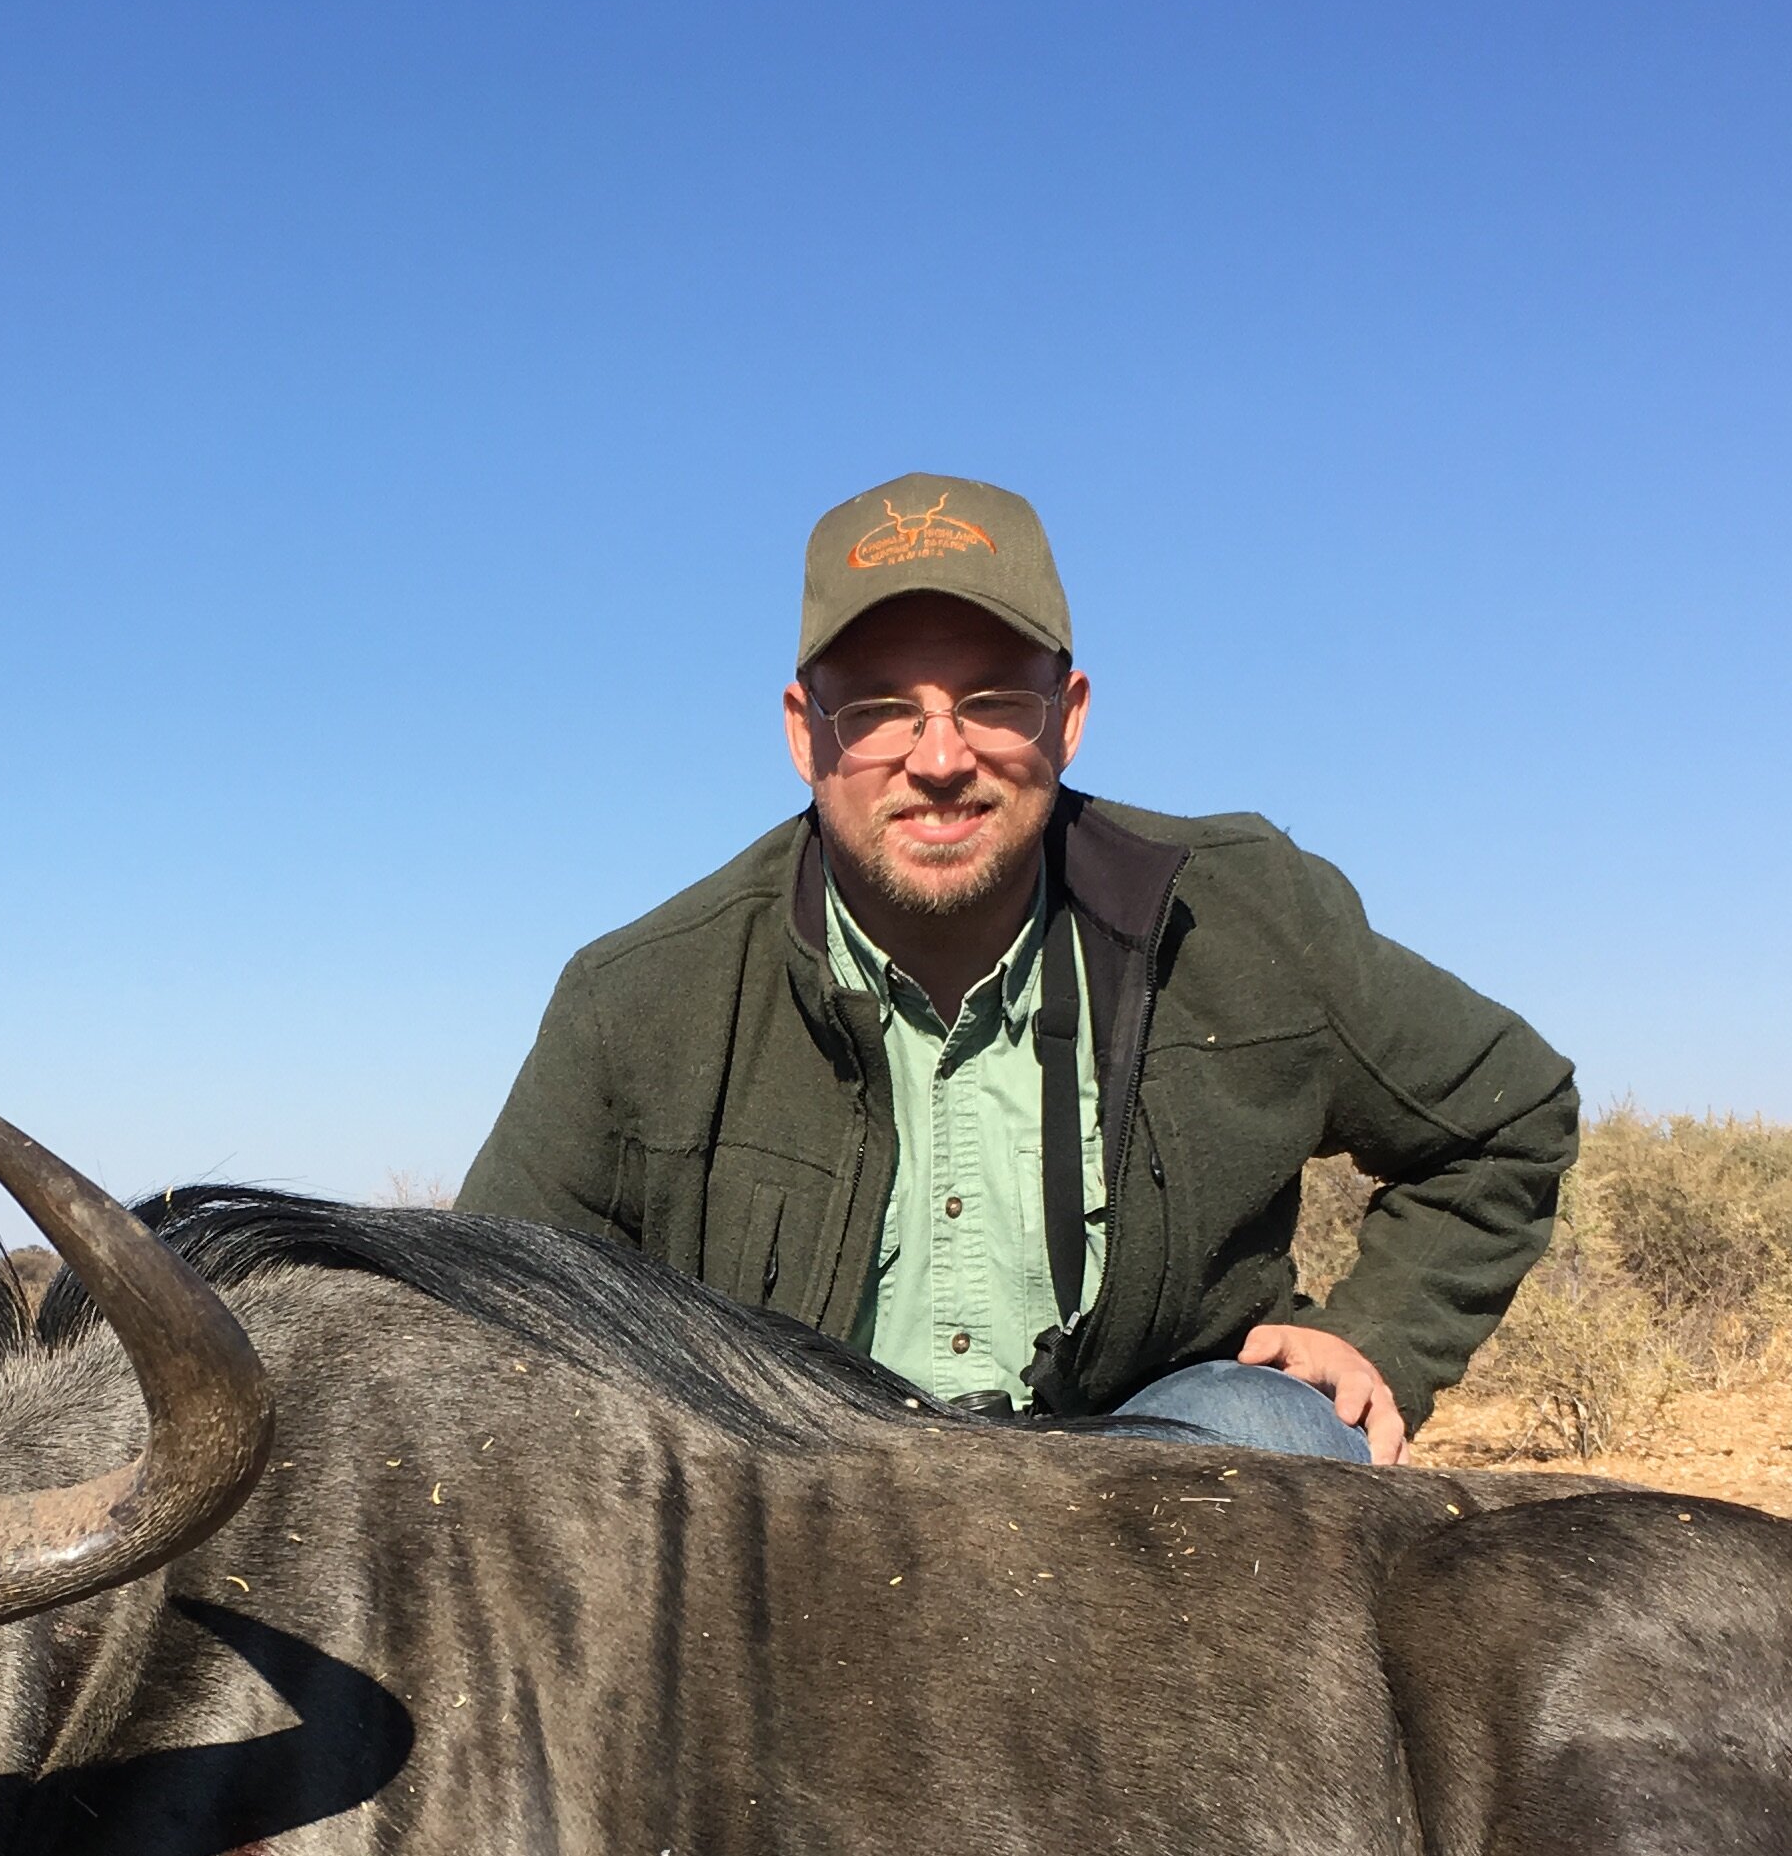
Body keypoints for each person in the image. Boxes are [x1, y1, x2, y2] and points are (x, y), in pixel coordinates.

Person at [460, 474, 1575, 1461]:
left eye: (993, 701)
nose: (940, 759)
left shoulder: (1243, 918)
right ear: (806, 736)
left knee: (1267, 1432)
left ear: (1069, 716)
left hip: (1140, 1507)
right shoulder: (639, 1000)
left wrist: (1375, 1334)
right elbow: (476, 1331)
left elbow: (1508, 1115)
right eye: (881, 709)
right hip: (788, 1523)